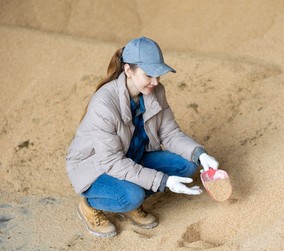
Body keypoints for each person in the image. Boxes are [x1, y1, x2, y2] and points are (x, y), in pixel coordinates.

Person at [66, 36, 219, 238]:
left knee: (187, 166)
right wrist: (163, 181)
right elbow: (111, 161)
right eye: (149, 75)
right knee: (131, 195)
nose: (155, 82)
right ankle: (89, 205)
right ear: (129, 71)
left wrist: (199, 154)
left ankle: (132, 202)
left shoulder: (156, 91)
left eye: (158, 75)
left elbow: (170, 133)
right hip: (97, 167)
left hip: (132, 155)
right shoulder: (104, 103)